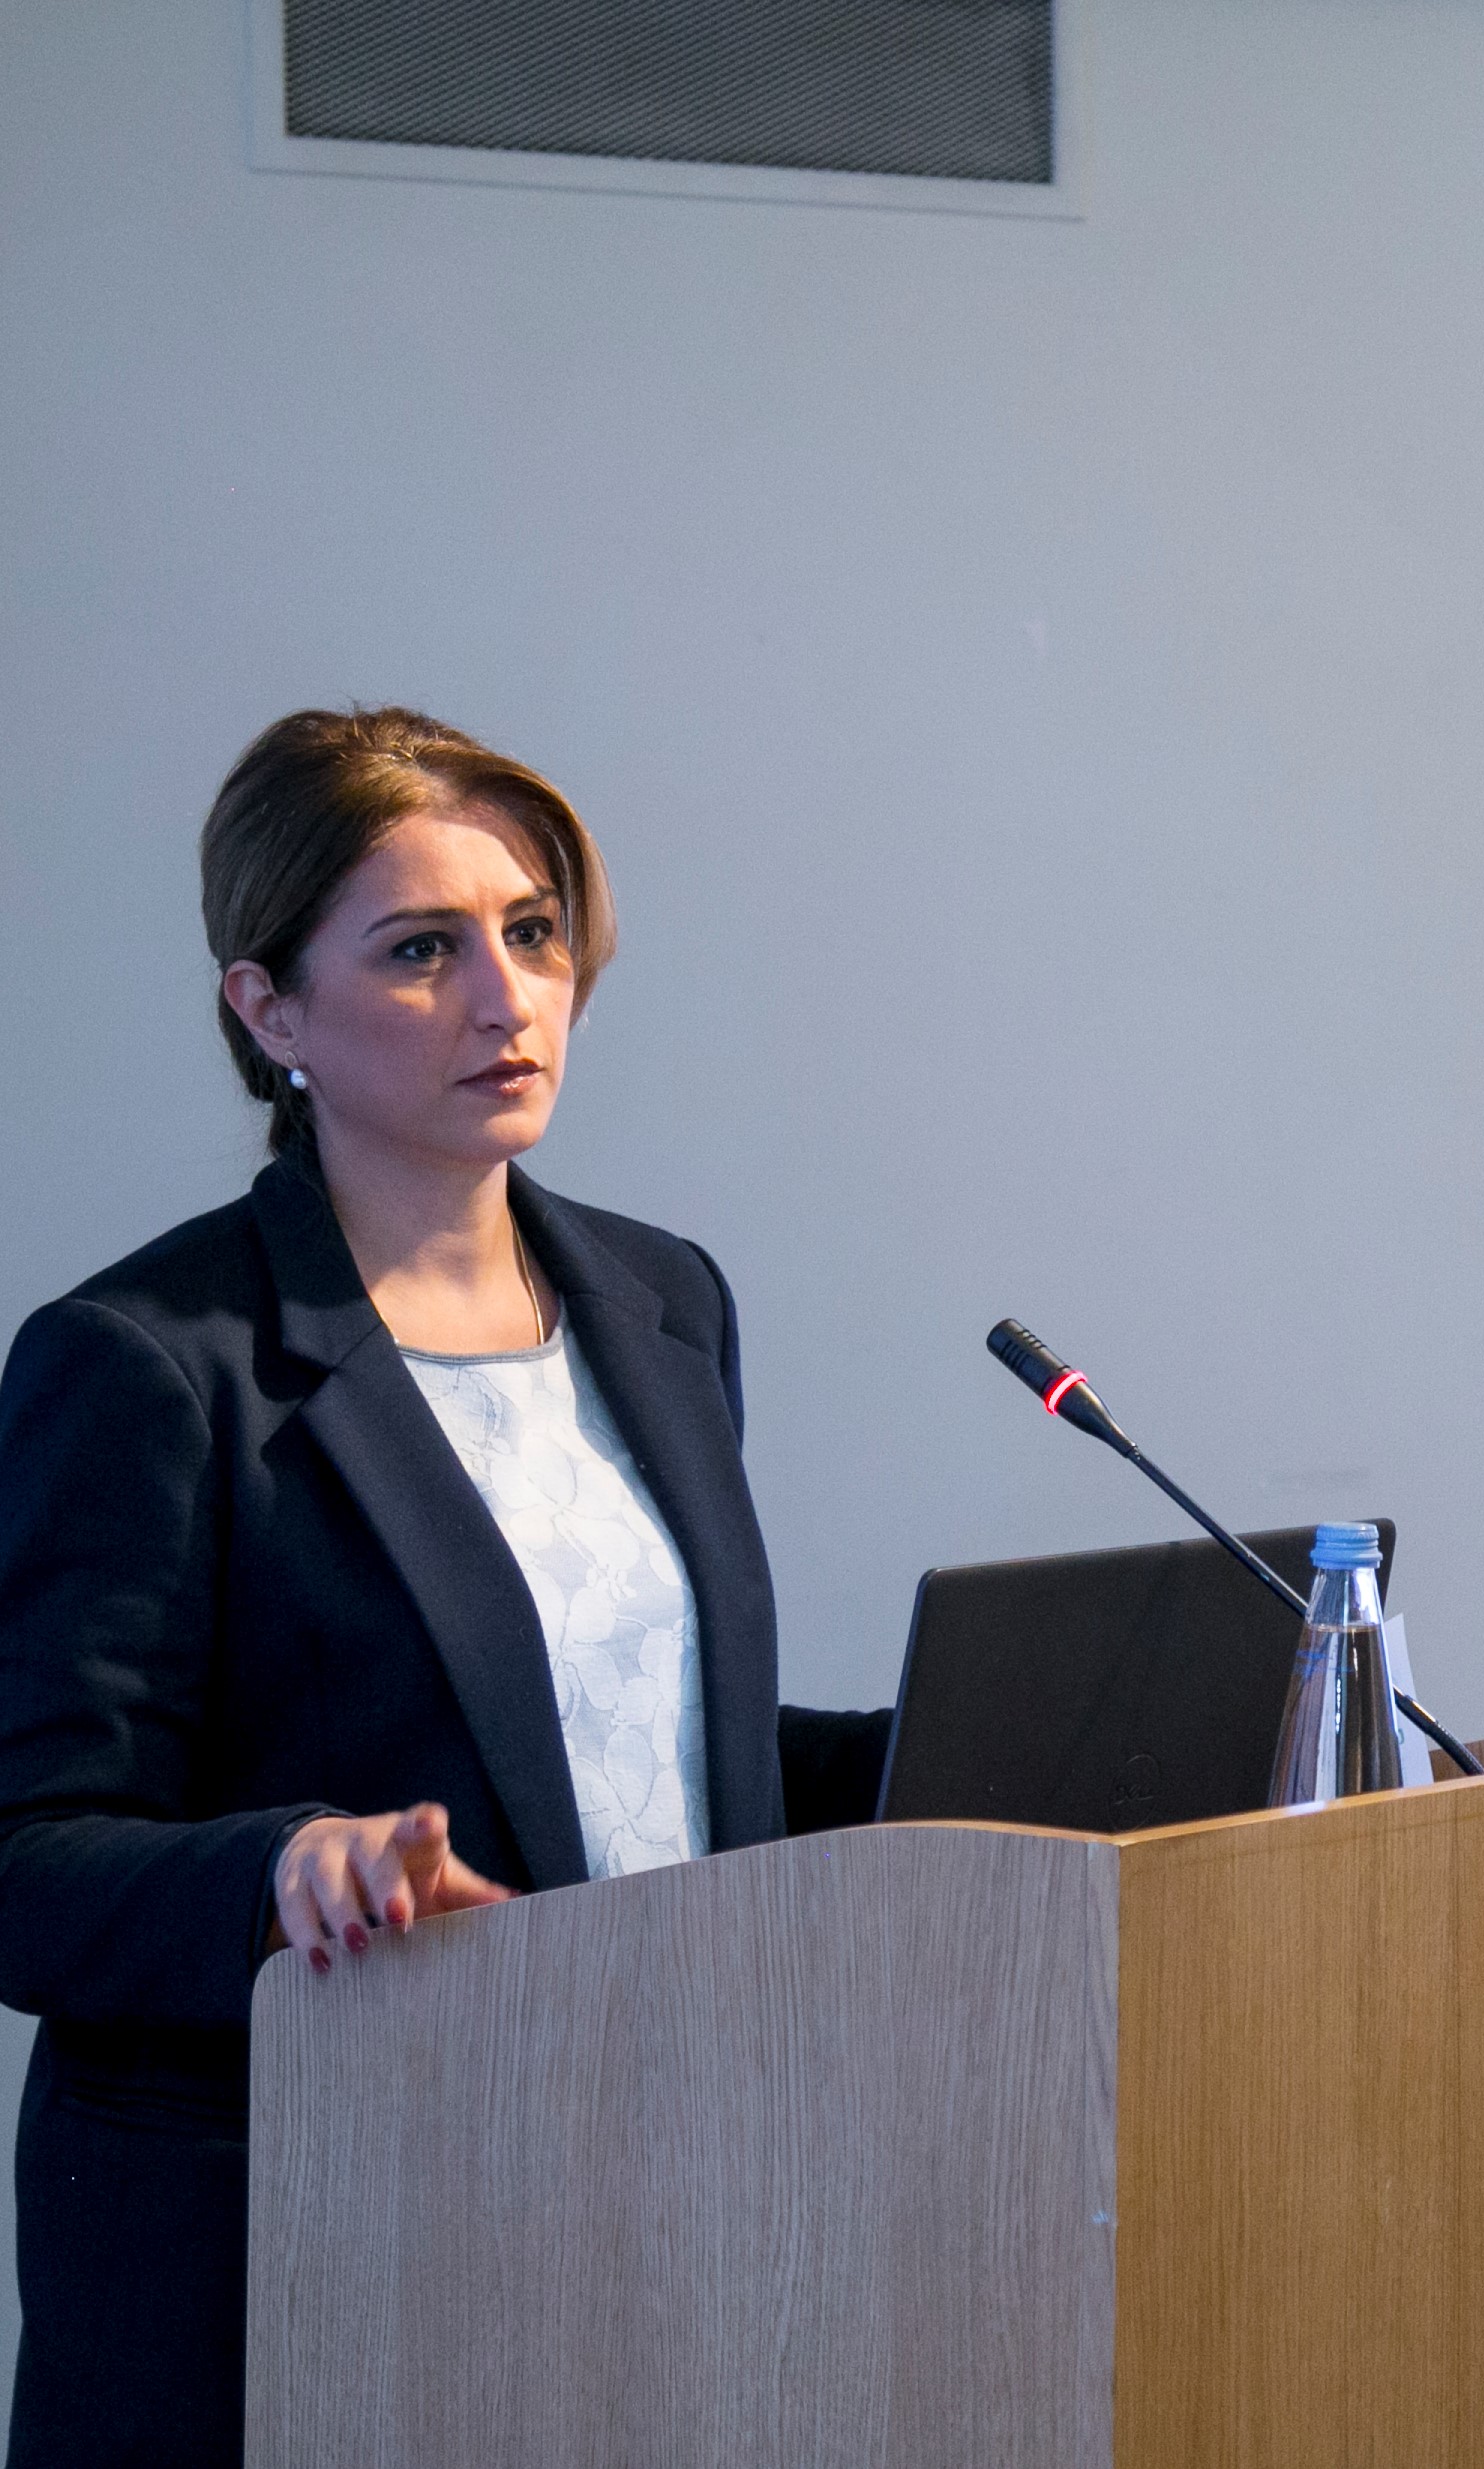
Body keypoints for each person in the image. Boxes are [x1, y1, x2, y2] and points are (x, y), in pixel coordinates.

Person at [0, 709, 894, 2467]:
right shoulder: (148, 1360)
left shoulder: (663, 1300)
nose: (507, 996)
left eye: (532, 930)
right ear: (270, 1011)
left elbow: (618, 1732)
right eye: (422, 948)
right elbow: (25, 1856)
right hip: (300, 2255)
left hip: (646, 2200)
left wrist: (1026, 1726)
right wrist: (281, 1868)